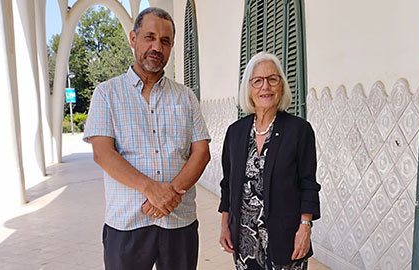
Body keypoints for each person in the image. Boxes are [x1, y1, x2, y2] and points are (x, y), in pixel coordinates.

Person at [83, 7, 210, 270]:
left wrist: (170, 195)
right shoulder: (107, 94)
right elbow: (103, 153)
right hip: (128, 222)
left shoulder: (186, 97)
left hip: (179, 221)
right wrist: (152, 190)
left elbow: (201, 153)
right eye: (149, 37)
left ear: (172, 46)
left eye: (165, 41)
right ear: (133, 39)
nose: (157, 46)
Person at [218, 52, 321, 270]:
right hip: (245, 240)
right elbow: (227, 183)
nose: (266, 87)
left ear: (281, 86)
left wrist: (305, 227)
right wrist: (225, 224)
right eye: (258, 81)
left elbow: (308, 184)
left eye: (272, 79)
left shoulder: (299, 131)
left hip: (286, 239)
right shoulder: (235, 133)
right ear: (248, 89)